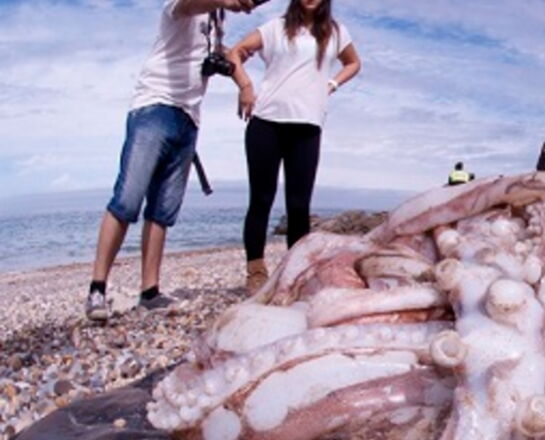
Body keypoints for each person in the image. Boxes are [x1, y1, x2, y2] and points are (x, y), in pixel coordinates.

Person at [85, 0, 259, 323]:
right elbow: (187, 6)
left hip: (188, 118)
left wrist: (245, 83)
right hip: (155, 108)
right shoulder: (183, 4)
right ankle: (97, 288)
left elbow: (218, 54)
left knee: (163, 211)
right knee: (127, 199)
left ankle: (149, 292)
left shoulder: (215, 19)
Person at [228, 0, 361, 294]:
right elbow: (234, 52)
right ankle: (256, 271)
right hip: (266, 122)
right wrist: (245, 87)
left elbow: (354, 63)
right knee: (261, 200)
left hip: (307, 125)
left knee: (299, 206)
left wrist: (332, 84)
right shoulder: (275, 28)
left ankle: (295, 272)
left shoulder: (336, 32)